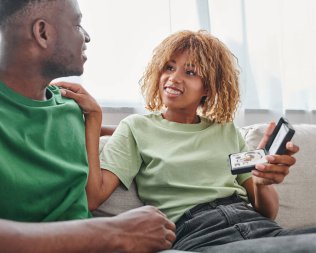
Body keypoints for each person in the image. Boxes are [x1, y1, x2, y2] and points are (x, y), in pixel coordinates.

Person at [0, 0, 177, 252]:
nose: (87, 36)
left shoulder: (72, 106)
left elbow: (133, 136)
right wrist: (114, 232)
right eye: (77, 24)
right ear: (43, 32)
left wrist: (94, 118)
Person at [71, 30, 316, 252]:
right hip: (199, 235)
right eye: (168, 67)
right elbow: (93, 197)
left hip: (258, 227)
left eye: (189, 72)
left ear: (207, 87)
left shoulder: (226, 132)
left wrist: (262, 181)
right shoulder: (135, 128)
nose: (173, 78)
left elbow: (268, 212)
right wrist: (94, 121)